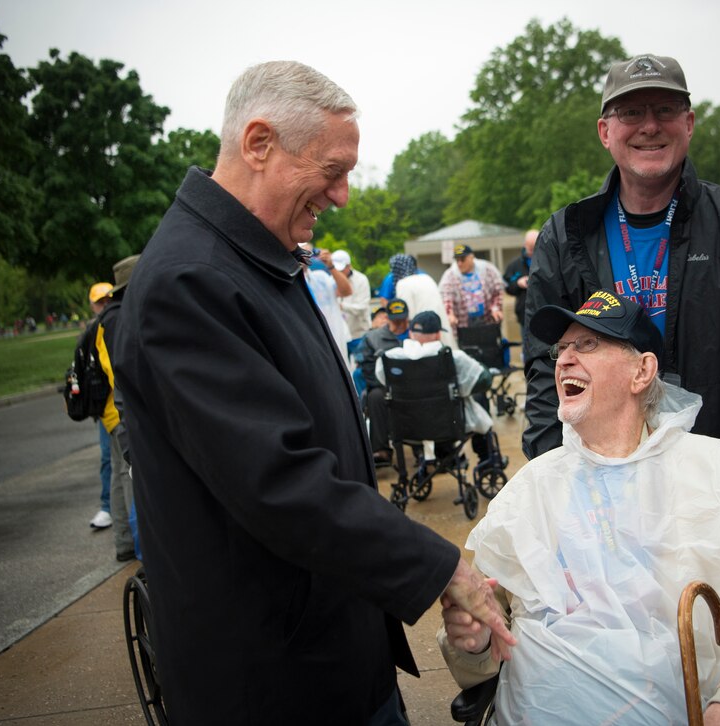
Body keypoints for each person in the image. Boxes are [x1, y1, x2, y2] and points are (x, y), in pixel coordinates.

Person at [111, 61, 513, 724]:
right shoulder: (188, 283)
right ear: (258, 144)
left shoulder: (253, 258)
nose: (344, 195)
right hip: (274, 681)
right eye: (332, 170)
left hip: (328, 653)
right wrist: (445, 570)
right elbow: (279, 481)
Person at [439, 290, 720, 726]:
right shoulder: (531, 492)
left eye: (587, 345)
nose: (563, 360)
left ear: (643, 371)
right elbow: (488, 626)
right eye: (561, 349)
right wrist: (475, 643)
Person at [522, 54, 720, 464]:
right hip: (602, 471)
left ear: (688, 123)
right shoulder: (565, 235)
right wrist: (558, 475)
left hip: (711, 466)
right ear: (605, 131)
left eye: (665, 109)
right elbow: (546, 368)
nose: (649, 126)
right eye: (631, 112)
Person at [377, 311, 496, 464]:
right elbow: (484, 380)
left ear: (411, 333)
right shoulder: (453, 357)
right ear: (439, 334)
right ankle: (487, 459)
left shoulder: (391, 358)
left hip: (407, 427)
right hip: (447, 425)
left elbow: (382, 380)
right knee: (476, 399)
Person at [99, 256, 139, 561]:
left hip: (111, 410)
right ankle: (133, 545)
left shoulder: (110, 316)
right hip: (118, 413)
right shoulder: (117, 319)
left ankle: (125, 543)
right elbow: (121, 370)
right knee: (128, 477)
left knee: (117, 475)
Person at [359, 298, 411, 465]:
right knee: (374, 396)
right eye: (395, 321)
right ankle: (380, 449)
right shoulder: (373, 338)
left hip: (415, 386)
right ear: (387, 318)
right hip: (386, 387)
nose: (399, 325)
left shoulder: (416, 334)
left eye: (402, 320)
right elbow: (368, 371)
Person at [87, 281, 115, 530]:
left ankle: (110, 509)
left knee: (115, 464)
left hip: (113, 408)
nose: (104, 305)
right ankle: (107, 507)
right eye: (100, 302)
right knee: (110, 461)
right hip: (108, 408)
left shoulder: (111, 322)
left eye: (107, 299)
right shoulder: (97, 328)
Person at [391, 253, 455, 350]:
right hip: (442, 328)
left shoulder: (403, 284)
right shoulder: (426, 278)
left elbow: (407, 314)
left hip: (423, 332)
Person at [440, 244, 505, 334]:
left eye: (462, 259)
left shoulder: (487, 269)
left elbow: (498, 290)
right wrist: (449, 314)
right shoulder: (450, 275)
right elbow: (446, 297)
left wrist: (496, 308)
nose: (459, 263)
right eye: (457, 260)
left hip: (487, 320)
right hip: (463, 324)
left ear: (471, 257)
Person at [333, 249, 372, 341]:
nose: (339, 272)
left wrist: (341, 306)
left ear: (349, 266)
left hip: (359, 334)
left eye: (341, 269)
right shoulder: (331, 279)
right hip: (339, 335)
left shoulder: (361, 280)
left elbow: (362, 307)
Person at [503, 229, 537, 332]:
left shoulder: (549, 261)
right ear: (524, 245)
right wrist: (518, 283)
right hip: (524, 315)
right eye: (530, 247)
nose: (532, 251)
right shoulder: (514, 265)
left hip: (546, 311)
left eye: (534, 247)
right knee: (527, 346)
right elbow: (507, 285)